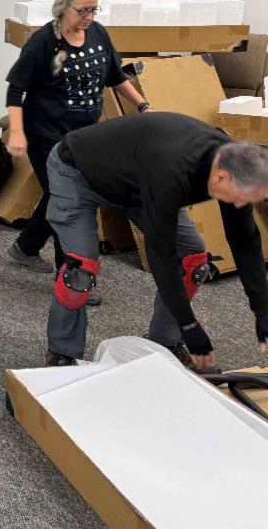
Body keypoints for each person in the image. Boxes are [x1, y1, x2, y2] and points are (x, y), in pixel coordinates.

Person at [43, 112, 268, 369]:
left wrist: (262, 310)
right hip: (77, 170)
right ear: (221, 178)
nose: (241, 205)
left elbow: (245, 240)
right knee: (80, 270)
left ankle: (165, 343)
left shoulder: (235, 166)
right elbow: (161, 253)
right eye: (241, 197)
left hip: (138, 182)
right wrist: (189, 324)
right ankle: (61, 354)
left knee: (194, 260)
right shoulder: (172, 169)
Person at [4, 0, 153, 298]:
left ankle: (25, 245)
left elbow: (115, 76)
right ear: (63, 8)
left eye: (93, 9)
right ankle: (71, 277)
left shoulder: (98, 34)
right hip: (46, 133)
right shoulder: (44, 41)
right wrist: (16, 132)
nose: (89, 16)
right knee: (66, 199)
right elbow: (16, 88)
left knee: (60, 194)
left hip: (84, 136)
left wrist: (142, 104)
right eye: (82, 10)